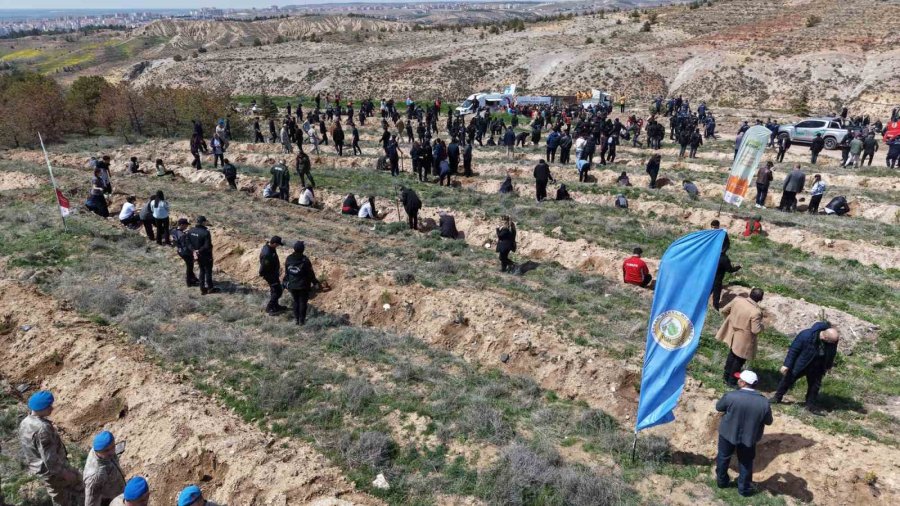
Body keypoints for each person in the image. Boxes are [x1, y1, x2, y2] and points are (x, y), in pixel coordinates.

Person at [19, 390, 84, 505]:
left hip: (40, 469)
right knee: (77, 484)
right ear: (40, 408)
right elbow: (50, 459)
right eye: (49, 406)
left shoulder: (25, 422)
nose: (52, 408)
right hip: (53, 472)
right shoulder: (42, 429)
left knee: (58, 493)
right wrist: (65, 473)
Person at [715, 370, 773, 497]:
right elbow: (768, 421)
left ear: (743, 382)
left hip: (727, 433)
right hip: (749, 437)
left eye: (739, 379)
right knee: (746, 462)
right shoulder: (764, 402)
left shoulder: (731, 396)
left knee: (723, 457)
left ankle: (721, 482)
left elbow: (719, 407)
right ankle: (744, 489)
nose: (737, 380)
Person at [770, 323, 840, 413]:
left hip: (818, 366)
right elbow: (794, 350)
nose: (834, 344)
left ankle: (810, 405)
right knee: (788, 379)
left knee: (814, 387)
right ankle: (777, 397)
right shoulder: (806, 335)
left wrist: (828, 366)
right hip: (802, 363)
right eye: (832, 342)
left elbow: (832, 353)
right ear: (825, 338)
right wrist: (787, 365)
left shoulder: (833, 341)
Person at [715, 288, 764, 387]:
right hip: (744, 339)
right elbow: (755, 330)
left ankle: (725, 376)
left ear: (750, 294)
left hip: (732, 332)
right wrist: (762, 326)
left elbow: (724, 310)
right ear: (760, 299)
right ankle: (732, 382)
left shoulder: (737, 300)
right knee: (738, 361)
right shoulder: (756, 312)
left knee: (732, 355)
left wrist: (731, 320)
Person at [283, 241, 320, 325]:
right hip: (303, 286)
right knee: (302, 303)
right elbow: (310, 274)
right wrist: (315, 282)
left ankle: (296, 320)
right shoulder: (305, 260)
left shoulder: (289, 258)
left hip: (292, 285)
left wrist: (285, 282)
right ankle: (302, 321)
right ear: (303, 250)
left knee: (295, 301)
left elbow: (287, 272)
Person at [83, 431, 125, 506]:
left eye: (113, 447)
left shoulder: (103, 454)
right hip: (111, 500)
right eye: (106, 450)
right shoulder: (95, 476)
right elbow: (91, 503)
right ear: (97, 451)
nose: (112, 452)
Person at [188, 216, 216, 294]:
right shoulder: (205, 232)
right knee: (208, 271)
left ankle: (202, 288)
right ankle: (210, 288)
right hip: (206, 255)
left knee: (202, 270)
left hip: (197, 255)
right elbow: (207, 245)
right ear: (203, 222)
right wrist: (198, 251)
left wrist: (194, 251)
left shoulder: (191, 231)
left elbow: (188, 243)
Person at [260, 236, 286, 315]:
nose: (278, 246)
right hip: (270, 275)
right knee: (278, 291)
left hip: (273, 273)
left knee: (274, 290)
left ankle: (276, 305)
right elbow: (264, 266)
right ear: (274, 243)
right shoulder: (267, 253)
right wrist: (268, 275)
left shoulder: (269, 248)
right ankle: (270, 308)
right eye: (277, 244)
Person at [711, 244, 741, 311]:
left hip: (709, 276)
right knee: (716, 293)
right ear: (725, 249)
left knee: (708, 290)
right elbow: (730, 270)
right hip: (717, 278)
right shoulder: (724, 259)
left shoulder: (713, 254)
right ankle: (715, 308)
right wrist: (738, 266)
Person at [171, 218, 199, 287]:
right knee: (190, 267)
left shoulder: (174, 231)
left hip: (179, 250)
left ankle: (193, 278)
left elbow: (175, 241)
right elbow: (186, 246)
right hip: (185, 252)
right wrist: (193, 253)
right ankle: (189, 282)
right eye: (186, 225)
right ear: (181, 225)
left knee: (189, 265)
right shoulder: (182, 235)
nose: (187, 227)